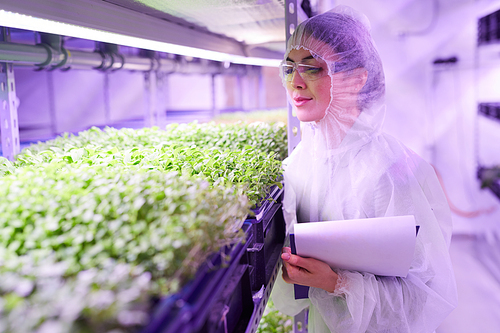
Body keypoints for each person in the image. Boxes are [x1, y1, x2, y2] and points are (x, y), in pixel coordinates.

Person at [270, 5, 458, 333]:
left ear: (356, 79)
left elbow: (425, 299)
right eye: (289, 67)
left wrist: (339, 283)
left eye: (312, 68)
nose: (296, 83)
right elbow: (293, 297)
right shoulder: (300, 163)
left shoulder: (389, 172)